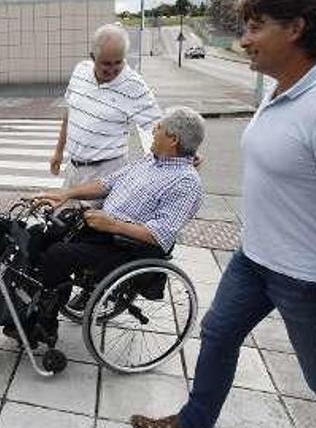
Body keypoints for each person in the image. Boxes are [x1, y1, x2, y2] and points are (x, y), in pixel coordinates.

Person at [130, 0, 316, 428]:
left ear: (296, 28)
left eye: (255, 28)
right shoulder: (283, 90)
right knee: (217, 333)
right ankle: (193, 427)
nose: (244, 40)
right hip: (254, 259)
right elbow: (282, 165)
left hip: (308, 278)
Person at [34, 106, 204, 341]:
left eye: (160, 127)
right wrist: (67, 194)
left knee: (58, 254)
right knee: (40, 234)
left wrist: (112, 224)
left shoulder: (186, 183)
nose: (154, 130)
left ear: (173, 139)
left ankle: (44, 322)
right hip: (103, 229)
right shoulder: (150, 161)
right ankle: (29, 300)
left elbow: (160, 235)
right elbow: (106, 183)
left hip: (127, 245)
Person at [50, 23, 163, 189]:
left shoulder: (134, 85)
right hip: (73, 170)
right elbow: (70, 114)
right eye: (106, 64)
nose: (112, 70)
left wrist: (186, 154)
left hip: (107, 174)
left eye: (118, 62)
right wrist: (58, 152)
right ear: (93, 57)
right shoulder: (80, 71)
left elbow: (160, 127)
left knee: (91, 215)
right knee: (59, 213)